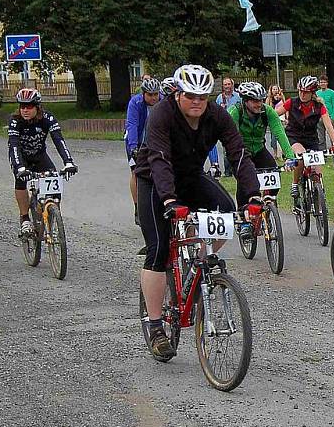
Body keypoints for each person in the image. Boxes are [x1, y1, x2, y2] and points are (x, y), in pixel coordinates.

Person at [134, 64, 260, 360]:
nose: (196, 102)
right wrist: (169, 201)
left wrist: (253, 196)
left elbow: (238, 152)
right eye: (191, 95)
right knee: (158, 249)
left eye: (203, 97)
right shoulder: (162, 115)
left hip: (190, 176)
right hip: (154, 180)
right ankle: (155, 327)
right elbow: (160, 158)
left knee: (227, 212)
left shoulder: (217, 115)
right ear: (177, 94)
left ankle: (197, 261)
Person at [9, 89, 77, 238]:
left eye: (29, 106)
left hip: (40, 156)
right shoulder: (15, 121)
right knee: (20, 180)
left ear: (37, 107)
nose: (25, 110)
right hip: (21, 157)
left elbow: (59, 140)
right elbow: (14, 146)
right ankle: (25, 219)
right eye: (22, 106)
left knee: (54, 183)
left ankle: (48, 216)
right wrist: (20, 167)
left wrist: (68, 162)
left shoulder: (47, 118)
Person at [276, 75, 334, 202]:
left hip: (311, 139)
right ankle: (295, 183)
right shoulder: (292, 102)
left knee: (316, 170)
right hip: (294, 137)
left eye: (306, 92)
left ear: (312, 93)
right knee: (301, 157)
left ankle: (319, 197)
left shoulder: (319, 106)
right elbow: (274, 114)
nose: (302, 94)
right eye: (300, 91)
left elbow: (328, 125)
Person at [228, 81, 297, 172]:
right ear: (245, 101)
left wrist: (290, 156)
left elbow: (280, 133)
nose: (259, 104)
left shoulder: (268, 111)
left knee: (273, 173)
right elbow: (232, 139)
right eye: (255, 101)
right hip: (241, 151)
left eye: (261, 100)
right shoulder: (234, 112)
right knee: (249, 179)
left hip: (259, 149)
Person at [125, 78, 161, 225]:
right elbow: (132, 124)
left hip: (155, 141)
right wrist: (133, 147)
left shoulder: (163, 101)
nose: (153, 98)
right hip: (137, 141)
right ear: (143, 94)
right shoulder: (136, 103)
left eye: (155, 94)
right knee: (136, 172)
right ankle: (137, 208)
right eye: (150, 95)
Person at [317, 75, 334, 152]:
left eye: (324, 82)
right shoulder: (317, 93)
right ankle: (322, 152)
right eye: (321, 82)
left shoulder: (332, 93)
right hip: (319, 117)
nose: (323, 83)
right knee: (320, 136)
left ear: (327, 83)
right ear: (319, 84)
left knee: (332, 135)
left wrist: (332, 117)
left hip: (329, 117)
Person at [266, 85, 287, 159]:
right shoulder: (269, 98)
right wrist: (272, 100)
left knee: (283, 136)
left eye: (276, 89)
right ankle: (275, 153)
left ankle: (283, 153)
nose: (275, 90)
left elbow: (286, 107)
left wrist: (287, 118)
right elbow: (267, 108)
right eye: (273, 89)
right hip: (273, 120)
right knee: (274, 137)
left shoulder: (282, 97)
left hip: (282, 119)